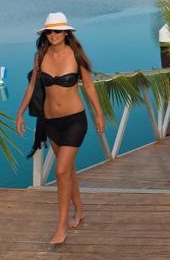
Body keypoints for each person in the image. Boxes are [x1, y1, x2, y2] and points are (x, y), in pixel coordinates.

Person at [16, 12, 105, 245]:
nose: (53, 35)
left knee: (61, 171)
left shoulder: (76, 55)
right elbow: (32, 86)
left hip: (75, 120)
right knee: (68, 170)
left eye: (57, 31)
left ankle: (61, 226)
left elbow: (89, 86)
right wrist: (19, 113)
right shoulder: (40, 56)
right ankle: (80, 211)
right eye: (49, 31)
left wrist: (99, 114)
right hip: (50, 122)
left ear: (67, 32)